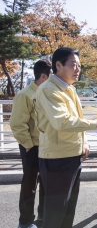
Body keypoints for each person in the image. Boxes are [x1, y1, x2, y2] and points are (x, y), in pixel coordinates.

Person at [34, 47, 97, 228]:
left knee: (68, 209)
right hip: (57, 158)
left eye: (79, 65)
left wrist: (84, 141)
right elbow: (62, 122)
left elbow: (76, 119)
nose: (78, 69)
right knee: (56, 212)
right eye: (73, 64)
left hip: (72, 156)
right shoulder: (49, 89)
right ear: (58, 65)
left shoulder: (69, 89)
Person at [10, 60, 52, 228]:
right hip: (32, 146)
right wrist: (28, 145)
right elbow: (17, 124)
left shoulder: (47, 94)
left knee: (46, 183)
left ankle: (43, 215)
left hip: (47, 146)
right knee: (29, 184)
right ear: (43, 76)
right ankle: (25, 221)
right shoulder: (25, 95)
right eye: (52, 76)